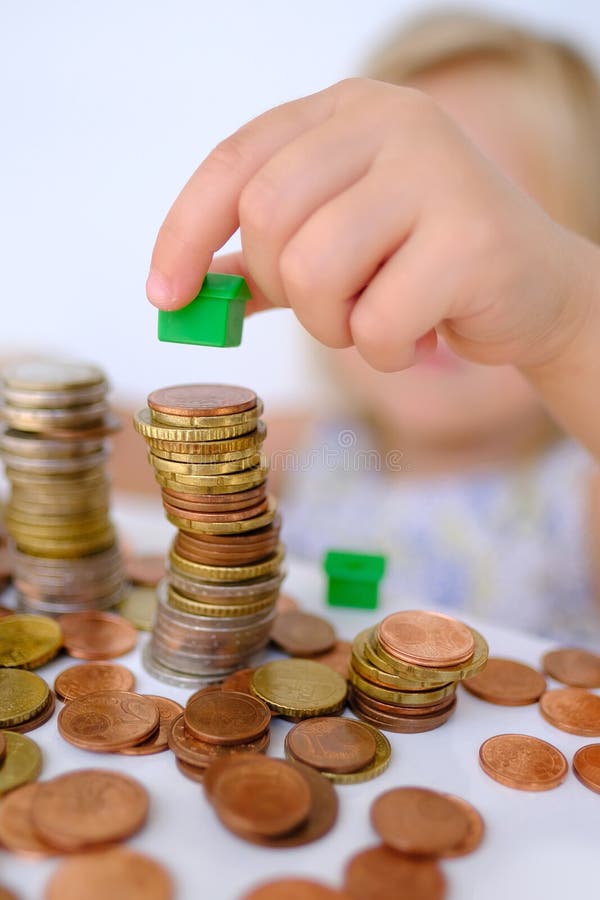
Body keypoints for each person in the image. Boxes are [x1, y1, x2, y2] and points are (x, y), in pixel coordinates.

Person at [144, 11, 600, 643]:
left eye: (491, 241)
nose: (429, 289)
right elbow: (92, 441)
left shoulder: (578, 501)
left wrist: (572, 315)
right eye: (385, 233)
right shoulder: (318, 448)